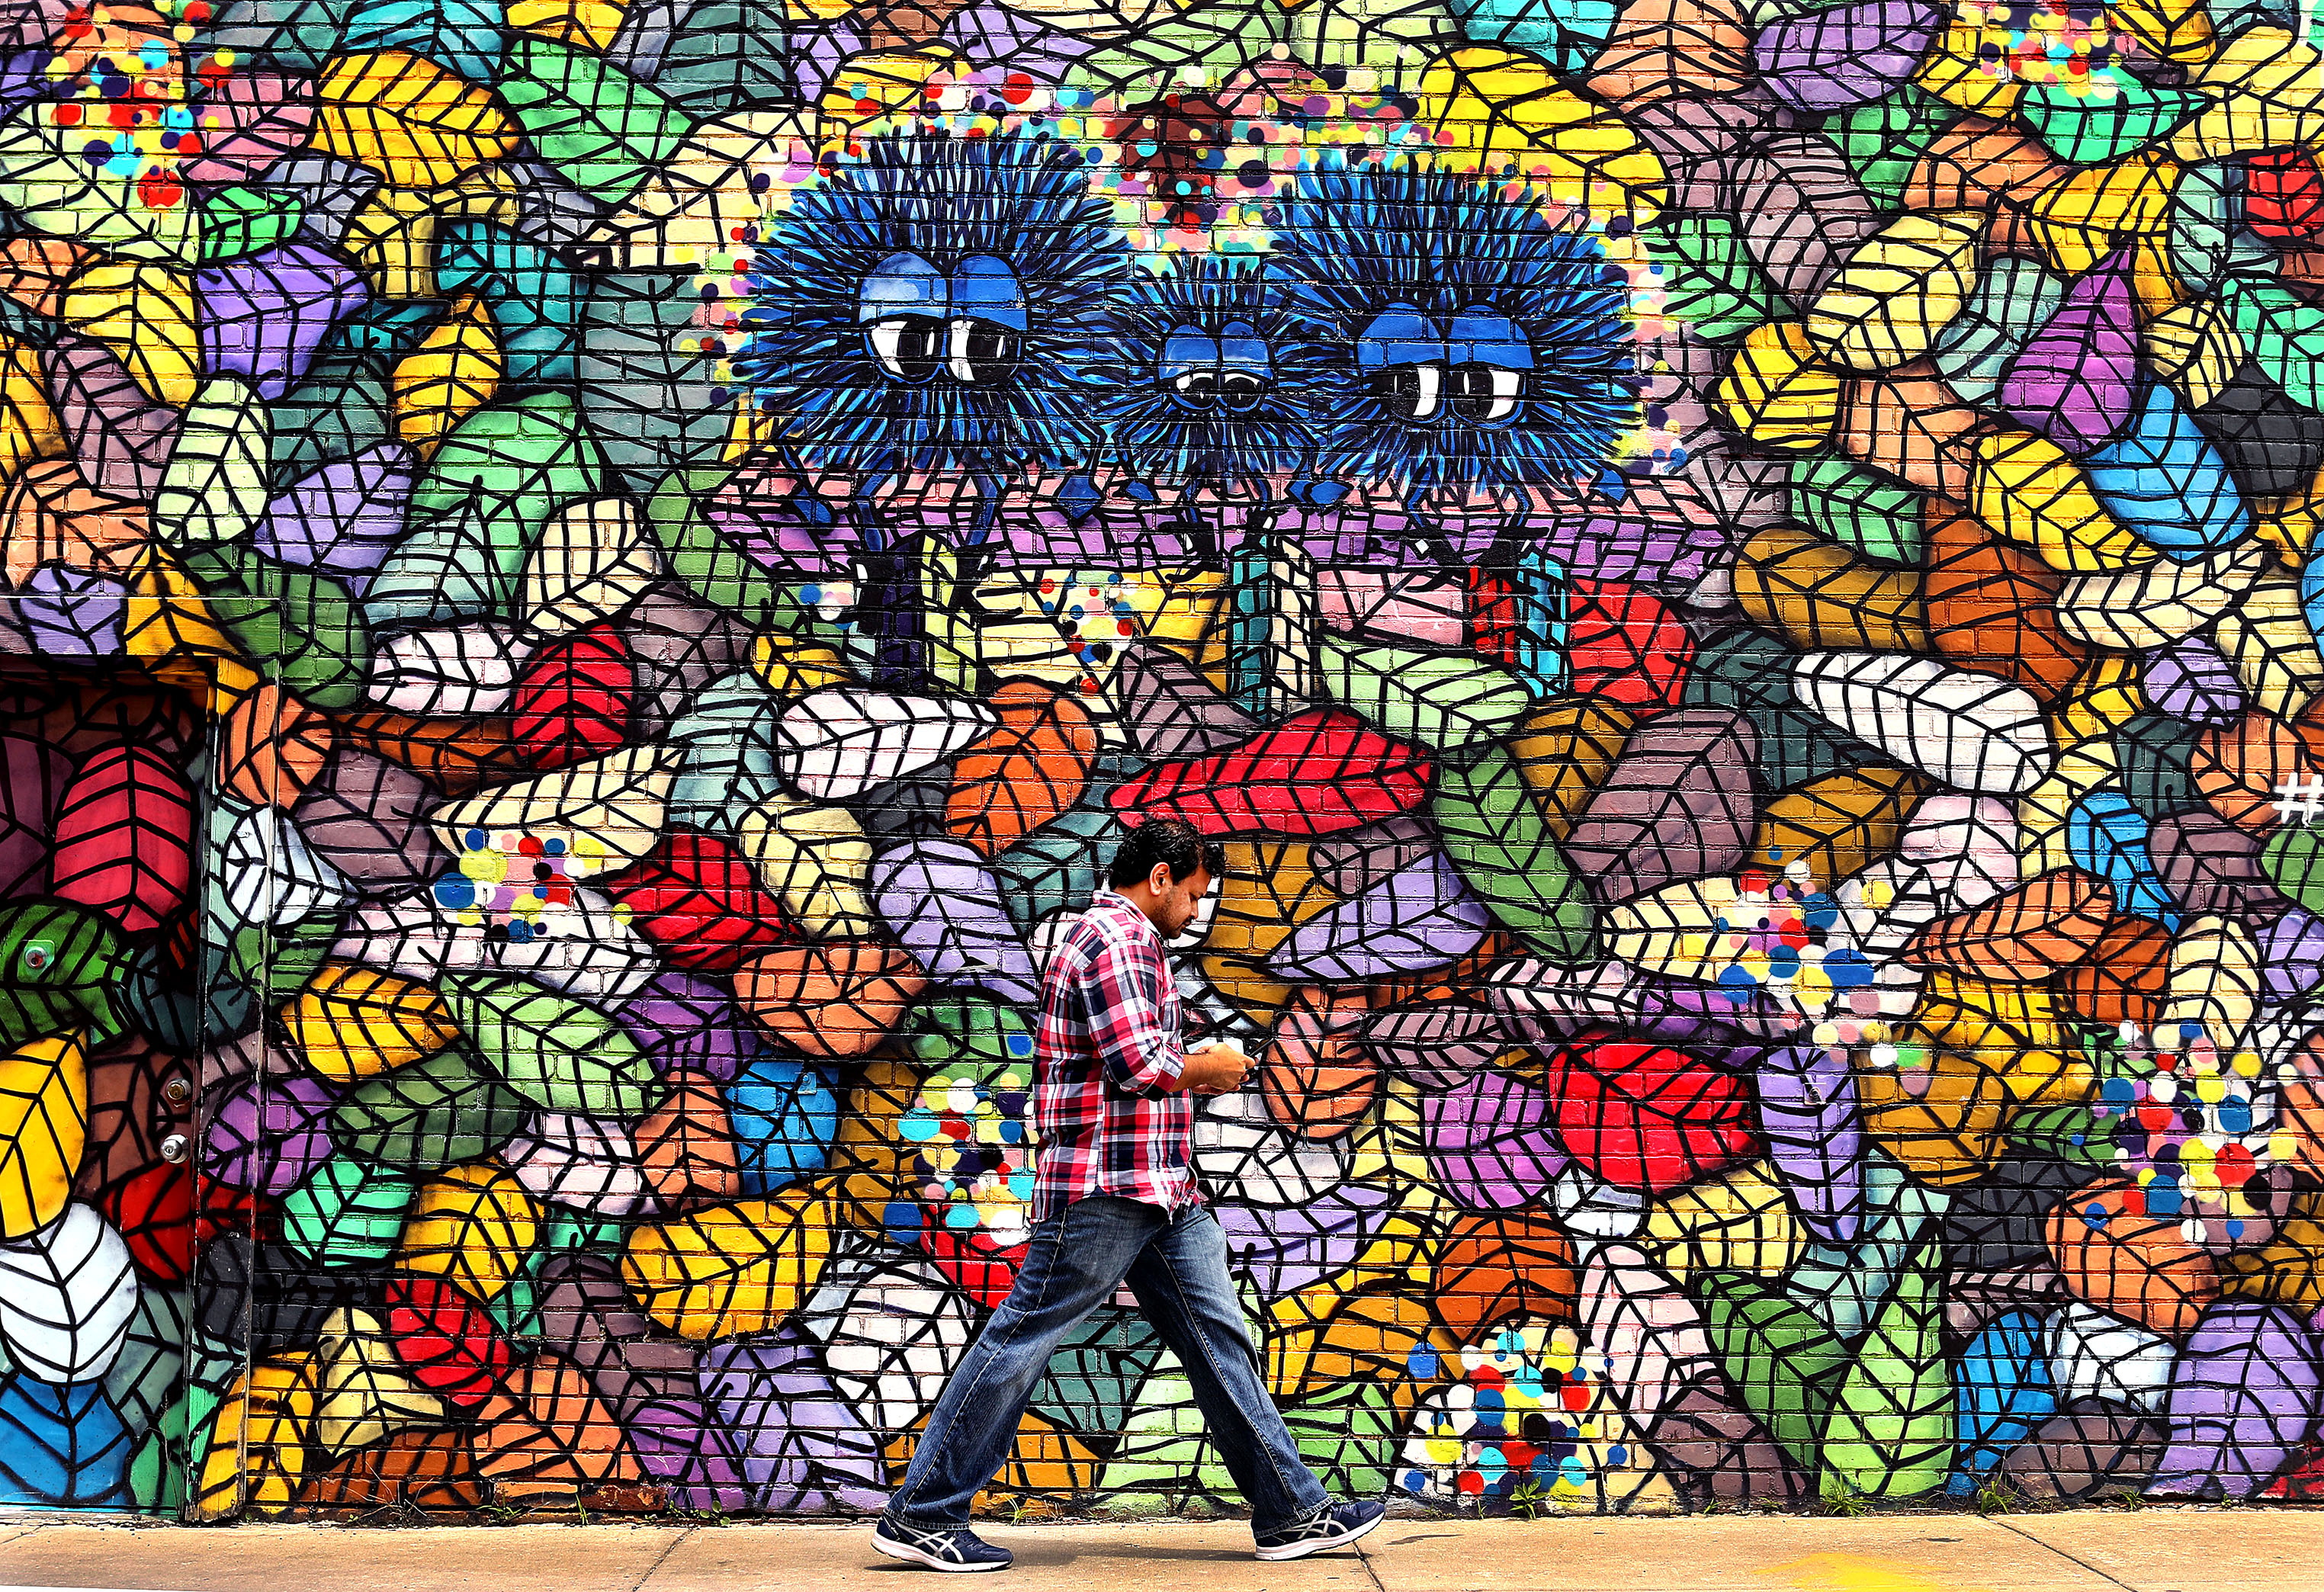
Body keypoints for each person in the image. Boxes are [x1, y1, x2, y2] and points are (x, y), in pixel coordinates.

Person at [872, 819, 1388, 1572]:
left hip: (1160, 1190)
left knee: (1218, 1344)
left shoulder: (1123, 941)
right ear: (1158, 878)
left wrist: (1199, 1058)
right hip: (1104, 1186)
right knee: (1020, 1340)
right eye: (1194, 894)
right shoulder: (1115, 939)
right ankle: (922, 1513)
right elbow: (1140, 1065)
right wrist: (1209, 1066)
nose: (1197, 911)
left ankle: (1290, 1512)